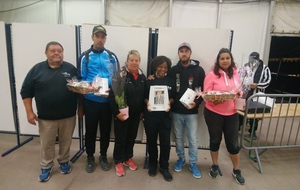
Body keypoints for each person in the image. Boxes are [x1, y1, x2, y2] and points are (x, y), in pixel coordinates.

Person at [20, 41, 78, 182]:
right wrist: (29, 112)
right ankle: (46, 166)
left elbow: (79, 88)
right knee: (47, 144)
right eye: (53, 51)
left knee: (66, 142)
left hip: (68, 116)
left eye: (59, 50)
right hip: (46, 118)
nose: (56, 53)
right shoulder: (37, 70)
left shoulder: (71, 69)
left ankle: (64, 161)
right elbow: (26, 91)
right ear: (46, 53)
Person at [79, 25, 119, 173]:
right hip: (91, 102)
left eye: (102, 36)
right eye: (97, 36)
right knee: (90, 131)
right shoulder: (85, 56)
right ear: (92, 37)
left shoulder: (111, 56)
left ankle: (103, 156)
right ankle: (90, 157)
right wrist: (82, 104)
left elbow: (116, 79)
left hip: (107, 102)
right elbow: (82, 81)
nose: (100, 39)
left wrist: (112, 91)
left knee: (105, 131)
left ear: (105, 38)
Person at [203, 48, 245, 185]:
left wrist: (238, 94)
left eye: (227, 58)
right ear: (218, 60)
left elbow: (240, 90)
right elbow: (206, 93)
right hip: (214, 113)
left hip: (232, 114)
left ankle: (236, 169)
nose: (225, 61)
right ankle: (215, 165)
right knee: (215, 140)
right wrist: (213, 100)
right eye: (222, 58)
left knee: (233, 143)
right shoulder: (211, 75)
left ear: (231, 59)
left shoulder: (236, 74)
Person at [168, 42, 205, 179]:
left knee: (193, 139)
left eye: (186, 51)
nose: (184, 53)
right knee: (178, 137)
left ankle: (193, 163)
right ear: (178, 53)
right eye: (181, 51)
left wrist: (196, 103)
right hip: (176, 111)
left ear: (190, 53)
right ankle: (181, 159)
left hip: (191, 112)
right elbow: (169, 87)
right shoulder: (173, 70)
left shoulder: (199, 70)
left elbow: (202, 90)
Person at [109, 50, 146, 177]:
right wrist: (116, 113)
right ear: (127, 61)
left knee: (131, 137)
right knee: (121, 138)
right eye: (132, 60)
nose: (134, 63)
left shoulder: (142, 76)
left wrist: (142, 111)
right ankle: (118, 161)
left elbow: (144, 94)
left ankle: (127, 158)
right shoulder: (120, 75)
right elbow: (112, 95)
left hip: (136, 115)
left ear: (139, 62)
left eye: (137, 60)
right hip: (122, 114)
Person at [144, 56, 175, 182]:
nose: (163, 69)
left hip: (165, 117)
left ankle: (164, 167)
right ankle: (152, 164)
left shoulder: (171, 81)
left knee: (165, 143)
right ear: (155, 67)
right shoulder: (149, 81)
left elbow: (174, 97)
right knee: (151, 142)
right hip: (151, 116)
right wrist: (148, 103)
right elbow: (144, 97)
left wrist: (169, 103)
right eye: (160, 66)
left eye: (165, 67)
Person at [238, 52, 271, 139]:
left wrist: (257, 85)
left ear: (258, 59)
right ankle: (238, 127)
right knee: (241, 110)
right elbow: (240, 77)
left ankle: (252, 131)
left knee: (255, 113)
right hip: (245, 93)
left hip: (256, 95)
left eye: (254, 60)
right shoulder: (246, 66)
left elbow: (267, 81)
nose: (252, 61)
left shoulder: (264, 68)